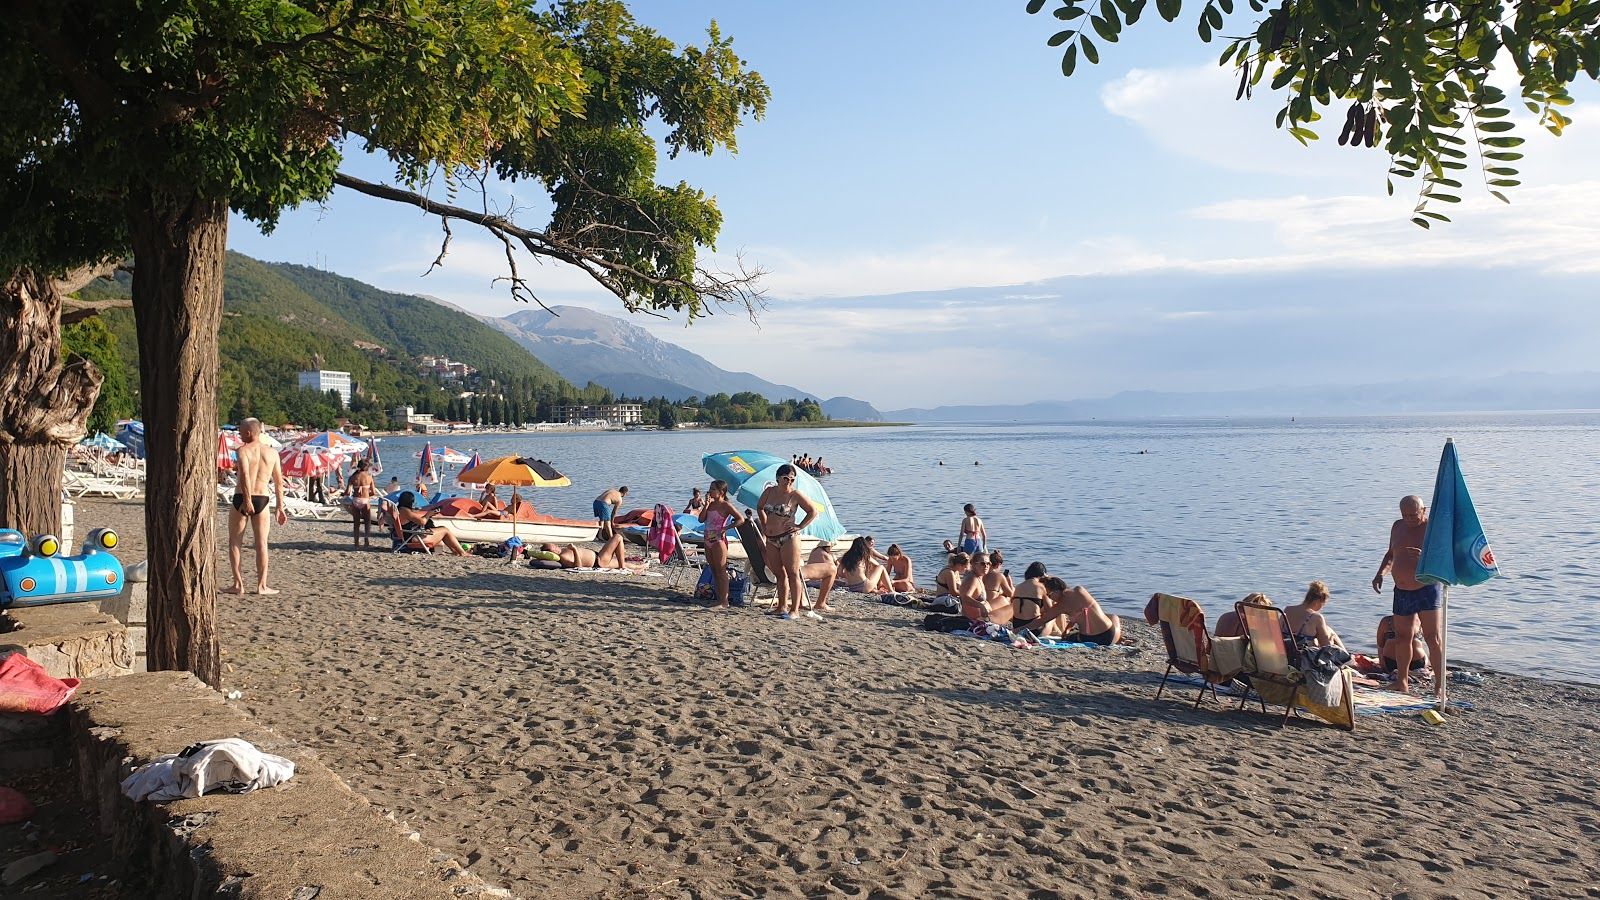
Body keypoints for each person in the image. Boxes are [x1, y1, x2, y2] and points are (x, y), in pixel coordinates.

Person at [1372, 494, 1444, 694]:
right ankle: (1401, 681)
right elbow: (1390, 555)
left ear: (1424, 510)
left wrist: (1425, 558)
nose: (1410, 519)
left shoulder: (1432, 529)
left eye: (1414, 515)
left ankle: (1439, 685)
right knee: (1403, 636)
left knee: (1432, 637)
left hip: (1427, 588)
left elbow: (1446, 560)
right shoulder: (1397, 526)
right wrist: (1380, 574)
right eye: (1406, 515)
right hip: (1402, 590)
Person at [227, 418, 288, 595]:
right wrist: (280, 507)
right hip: (262, 498)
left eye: (240, 432)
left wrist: (246, 500)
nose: (238, 434)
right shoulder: (272, 453)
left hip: (241, 497)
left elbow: (245, 475)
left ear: (248, 433)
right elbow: (279, 483)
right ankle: (262, 585)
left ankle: (238, 585)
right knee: (261, 544)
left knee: (235, 542)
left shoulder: (243, 451)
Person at [756, 464, 822, 620]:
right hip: (771, 538)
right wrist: (765, 525)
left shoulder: (795, 495)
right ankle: (781, 607)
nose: (789, 482)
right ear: (778, 478)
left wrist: (800, 525)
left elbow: (813, 511)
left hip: (788, 537)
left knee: (792, 573)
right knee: (779, 573)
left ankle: (795, 610)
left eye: (792, 479)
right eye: (786, 478)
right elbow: (759, 507)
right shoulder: (769, 491)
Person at [697, 480, 745, 609]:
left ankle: (724, 601)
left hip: (718, 540)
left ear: (721, 492)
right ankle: (718, 599)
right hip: (707, 538)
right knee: (713, 570)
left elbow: (741, 519)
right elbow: (701, 519)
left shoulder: (726, 505)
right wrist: (705, 505)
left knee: (721, 570)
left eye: (713, 489)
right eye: (710, 489)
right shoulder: (710, 505)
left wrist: (726, 528)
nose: (710, 491)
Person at [1035, 576, 1121, 645]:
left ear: (1056, 591)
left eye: (1049, 595)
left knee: (1070, 637)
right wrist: (1068, 628)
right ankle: (1119, 638)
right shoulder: (1079, 590)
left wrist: (1022, 628)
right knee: (1114, 617)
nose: (1050, 598)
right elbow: (1078, 612)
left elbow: (1042, 621)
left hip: (1089, 638)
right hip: (1109, 635)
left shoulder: (1060, 606)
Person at [390, 492, 467, 556]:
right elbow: (422, 522)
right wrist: (428, 515)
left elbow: (416, 519)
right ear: (410, 502)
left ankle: (456, 552)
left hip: (407, 537)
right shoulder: (405, 511)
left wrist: (427, 515)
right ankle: (462, 553)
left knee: (440, 534)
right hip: (412, 539)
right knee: (445, 530)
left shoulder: (399, 509)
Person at [1284, 580, 1346, 650]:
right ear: (1319, 600)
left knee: (1326, 629)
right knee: (1331, 633)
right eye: (1323, 603)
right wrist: (1331, 641)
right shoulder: (1316, 617)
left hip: (1286, 650)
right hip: (1305, 656)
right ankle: (1348, 657)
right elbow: (1325, 646)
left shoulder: (1287, 610)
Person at [538, 536, 645, 572]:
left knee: (621, 562)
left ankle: (641, 566)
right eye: (554, 548)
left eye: (555, 545)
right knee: (617, 537)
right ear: (552, 553)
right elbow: (577, 566)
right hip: (598, 561)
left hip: (599, 558)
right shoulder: (563, 556)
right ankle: (623, 568)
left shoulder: (564, 551)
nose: (557, 547)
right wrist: (575, 549)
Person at [959, 553, 1011, 624]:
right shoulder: (973, 579)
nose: (986, 566)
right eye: (982, 563)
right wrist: (981, 606)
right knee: (1014, 607)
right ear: (973, 564)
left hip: (978, 614)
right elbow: (964, 597)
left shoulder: (977, 576)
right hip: (977, 619)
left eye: (988, 563)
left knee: (1002, 599)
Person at [345, 459, 377, 548]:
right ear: (366, 467)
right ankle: (366, 540)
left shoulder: (352, 477)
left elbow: (347, 492)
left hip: (355, 500)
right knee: (367, 522)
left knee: (356, 523)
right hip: (365, 500)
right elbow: (373, 492)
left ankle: (356, 543)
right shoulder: (369, 477)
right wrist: (366, 494)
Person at [801, 541, 840, 613]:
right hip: (815, 579)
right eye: (831, 547)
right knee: (835, 580)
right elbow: (832, 570)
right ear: (827, 547)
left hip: (807, 578)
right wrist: (836, 563)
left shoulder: (814, 550)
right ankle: (821, 603)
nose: (831, 548)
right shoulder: (825, 555)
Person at [1010, 562, 1050, 632]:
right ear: (1042, 574)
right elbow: (1050, 610)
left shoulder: (1018, 586)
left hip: (1017, 625)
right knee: (1054, 615)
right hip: (1034, 628)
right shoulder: (1040, 587)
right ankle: (1059, 633)